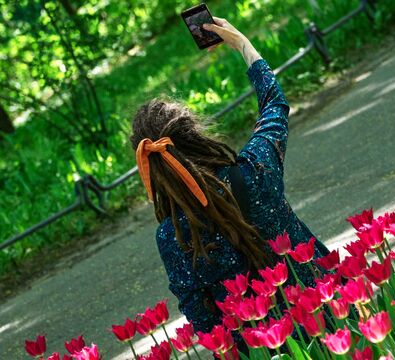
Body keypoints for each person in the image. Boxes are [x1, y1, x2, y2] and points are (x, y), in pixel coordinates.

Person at [129, 17, 330, 335]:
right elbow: (274, 105)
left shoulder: (173, 236)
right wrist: (242, 45)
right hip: (330, 313)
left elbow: (202, 318)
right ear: (195, 134)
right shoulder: (255, 170)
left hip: (260, 348)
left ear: (152, 170)